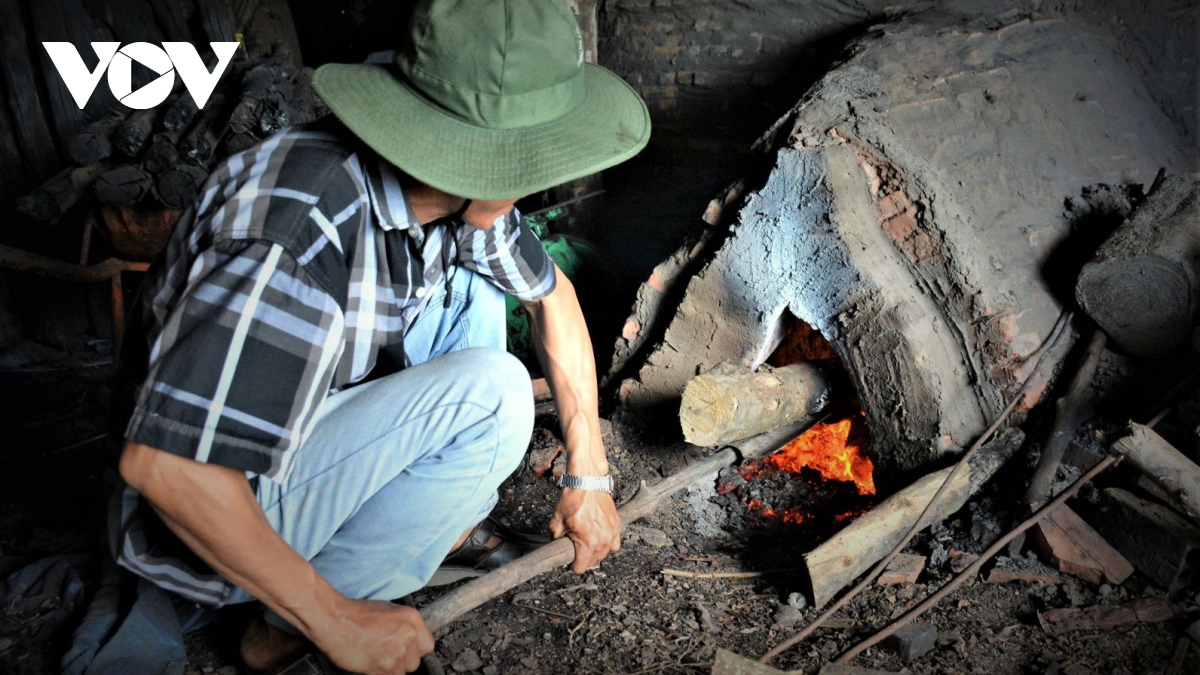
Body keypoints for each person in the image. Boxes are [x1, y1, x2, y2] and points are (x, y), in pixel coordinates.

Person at [108, 0, 651, 672]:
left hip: (300, 437)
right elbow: (168, 468)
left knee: (479, 288)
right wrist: (335, 618)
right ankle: (285, 623)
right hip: (210, 513)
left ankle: (428, 522)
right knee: (497, 391)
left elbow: (553, 298)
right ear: (489, 161)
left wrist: (590, 473)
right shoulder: (295, 232)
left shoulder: (456, 196)